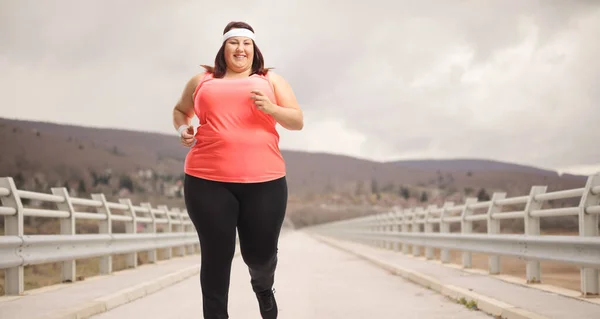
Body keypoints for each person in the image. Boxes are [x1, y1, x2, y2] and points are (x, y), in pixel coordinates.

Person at [171, 21, 303, 319]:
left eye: (246, 43)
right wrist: (183, 128)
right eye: (234, 43)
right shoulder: (201, 81)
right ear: (224, 48)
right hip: (206, 180)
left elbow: (296, 120)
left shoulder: (270, 80)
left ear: (254, 50)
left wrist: (272, 109)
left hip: (265, 181)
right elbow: (180, 110)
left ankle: (263, 287)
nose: (240, 48)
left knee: (259, 254)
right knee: (216, 256)